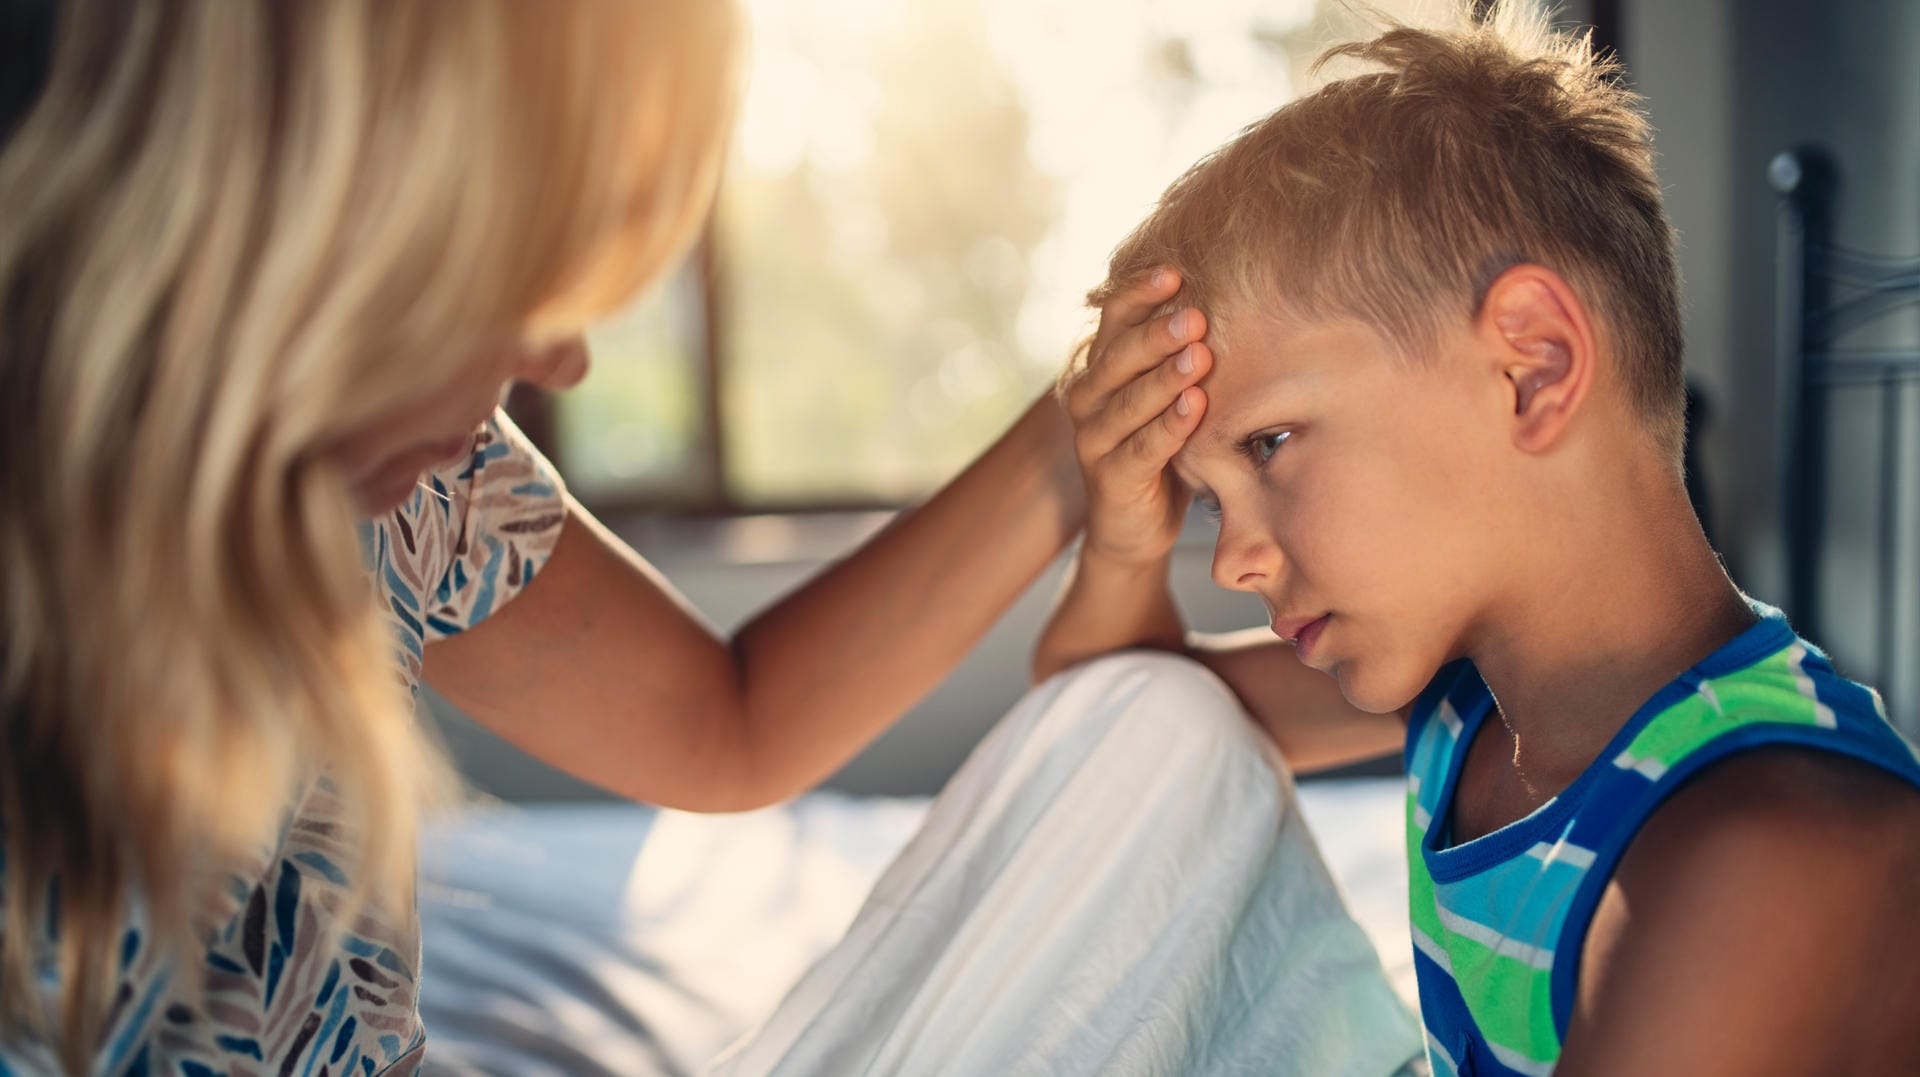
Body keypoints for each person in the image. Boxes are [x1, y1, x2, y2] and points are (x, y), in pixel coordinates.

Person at [0, 2, 1250, 1072]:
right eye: (518, 276)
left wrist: (1084, 421)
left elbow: (730, 724)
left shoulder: (415, 485)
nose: (564, 357)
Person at [1028, 3, 1920, 1074]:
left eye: (1268, 444)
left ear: (1532, 368)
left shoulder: (1770, 851)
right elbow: (1112, 722)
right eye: (1209, 500)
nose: (1231, 561)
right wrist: (1125, 540)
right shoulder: (1466, 702)